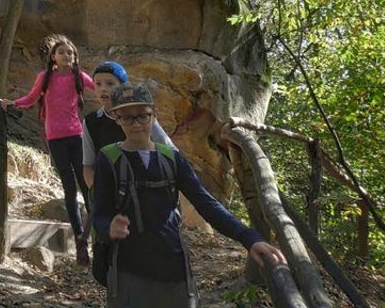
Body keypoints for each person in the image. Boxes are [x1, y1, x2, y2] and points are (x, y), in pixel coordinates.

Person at [92, 83, 287, 307]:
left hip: (173, 268)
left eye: (142, 116)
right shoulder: (108, 159)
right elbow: (99, 215)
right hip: (128, 272)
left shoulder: (171, 159)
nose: (136, 124)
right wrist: (109, 228)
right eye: (127, 117)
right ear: (116, 118)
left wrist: (248, 238)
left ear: (154, 115)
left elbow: (205, 203)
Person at [2, 34, 95, 266]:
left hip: (76, 136)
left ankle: (93, 235)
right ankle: (80, 241)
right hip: (56, 138)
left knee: (87, 186)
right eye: (62, 52)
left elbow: (101, 88)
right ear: (53, 56)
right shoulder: (45, 78)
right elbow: (32, 98)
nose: (67, 55)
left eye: (71, 53)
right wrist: (12, 103)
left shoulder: (78, 77)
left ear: (75, 58)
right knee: (69, 188)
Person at [82, 61, 175, 189]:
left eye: (110, 83)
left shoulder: (142, 115)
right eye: (98, 84)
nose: (103, 88)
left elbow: (170, 150)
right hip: (111, 191)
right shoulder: (91, 122)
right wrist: (98, 193)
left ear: (123, 86)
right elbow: (88, 165)